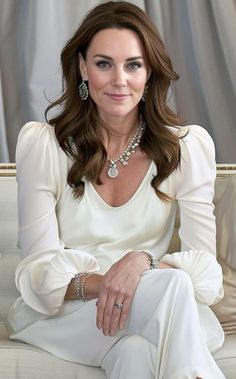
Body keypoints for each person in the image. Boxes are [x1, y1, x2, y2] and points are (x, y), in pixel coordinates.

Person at [6, 1, 226, 378]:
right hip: (68, 314)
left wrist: (142, 264)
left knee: (137, 353)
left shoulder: (186, 148)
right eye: (104, 63)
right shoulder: (44, 146)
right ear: (82, 68)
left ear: (150, 71)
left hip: (154, 306)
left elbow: (207, 278)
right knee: (171, 287)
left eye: (133, 65)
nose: (119, 80)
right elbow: (39, 275)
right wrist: (110, 283)